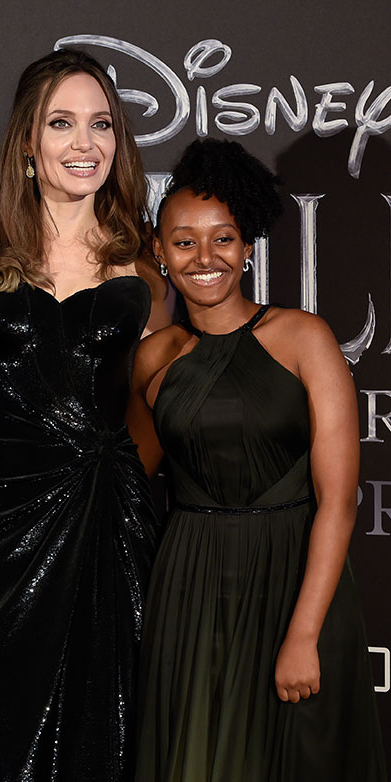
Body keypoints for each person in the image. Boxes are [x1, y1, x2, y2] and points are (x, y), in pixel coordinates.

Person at [127, 138, 387, 781]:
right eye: (183, 241)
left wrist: (302, 635)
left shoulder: (304, 337)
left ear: (248, 248)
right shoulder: (154, 359)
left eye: (223, 239)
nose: (204, 257)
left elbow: (338, 501)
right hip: (190, 589)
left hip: (295, 580)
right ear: (158, 252)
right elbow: (124, 474)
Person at [0, 49, 164, 781]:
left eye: (101, 124)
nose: (85, 144)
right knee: (5, 730)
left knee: (110, 730)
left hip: (106, 518)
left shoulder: (137, 261)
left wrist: (122, 479)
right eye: (63, 123)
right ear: (28, 143)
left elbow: (148, 397)